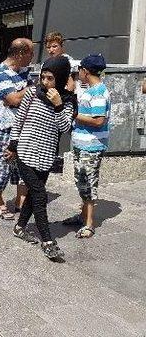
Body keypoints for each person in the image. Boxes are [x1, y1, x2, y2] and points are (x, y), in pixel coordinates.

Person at [5, 56, 75, 260]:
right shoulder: (33, 93)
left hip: (45, 156)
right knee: (40, 194)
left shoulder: (68, 101)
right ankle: (48, 241)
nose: (45, 82)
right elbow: (19, 121)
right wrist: (12, 146)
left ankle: (19, 227)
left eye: (50, 78)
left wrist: (58, 105)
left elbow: (65, 128)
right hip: (26, 152)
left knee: (35, 195)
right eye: (43, 77)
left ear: (60, 79)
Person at [62, 54, 110, 239]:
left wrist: (74, 114)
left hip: (91, 145)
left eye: (79, 70)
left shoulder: (98, 92)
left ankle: (89, 224)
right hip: (82, 144)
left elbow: (98, 121)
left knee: (89, 183)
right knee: (82, 182)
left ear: (86, 71)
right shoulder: (91, 90)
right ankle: (82, 216)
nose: (78, 74)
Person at [0, 38, 33, 220]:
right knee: (1, 164)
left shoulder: (24, 72)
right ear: (20, 54)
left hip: (22, 125)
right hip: (1, 128)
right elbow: (14, 100)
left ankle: (21, 201)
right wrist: (27, 91)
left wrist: (22, 93)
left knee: (23, 165)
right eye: (31, 53)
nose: (32, 57)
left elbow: (22, 97)